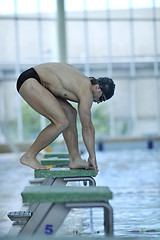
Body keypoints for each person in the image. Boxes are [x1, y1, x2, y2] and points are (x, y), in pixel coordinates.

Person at [16, 62, 115, 174]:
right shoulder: (86, 91)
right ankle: (29, 156)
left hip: (38, 81)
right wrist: (93, 157)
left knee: (70, 114)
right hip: (30, 81)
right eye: (101, 99)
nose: (97, 102)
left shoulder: (83, 83)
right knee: (61, 122)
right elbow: (87, 127)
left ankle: (75, 159)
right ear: (97, 87)